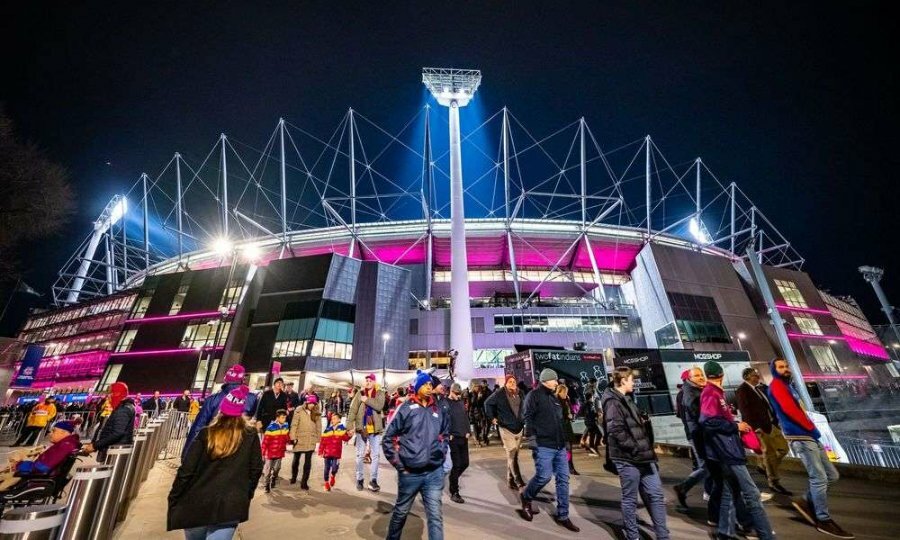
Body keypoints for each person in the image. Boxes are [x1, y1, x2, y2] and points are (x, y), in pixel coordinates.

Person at [768, 358, 853, 539]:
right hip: (800, 436)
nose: (785, 369)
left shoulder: (786, 385)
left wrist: (811, 430)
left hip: (809, 435)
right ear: (774, 370)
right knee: (819, 477)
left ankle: (806, 500)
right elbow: (789, 409)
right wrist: (809, 427)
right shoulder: (776, 385)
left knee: (832, 476)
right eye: (781, 367)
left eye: (786, 366)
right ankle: (823, 519)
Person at [167, 386, 263, 539]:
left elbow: (186, 471)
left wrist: (174, 496)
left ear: (221, 410)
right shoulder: (250, 435)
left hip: (197, 502)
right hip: (229, 505)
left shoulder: (206, 433)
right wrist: (245, 494)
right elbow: (256, 469)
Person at [701, 360, 775, 540]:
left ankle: (725, 533)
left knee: (730, 492)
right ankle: (766, 535)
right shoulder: (711, 393)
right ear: (721, 374)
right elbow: (707, 421)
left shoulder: (715, 393)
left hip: (725, 451)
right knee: (752, 495)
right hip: (728, 451)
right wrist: (735, 426)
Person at [602, 366, 670, 540]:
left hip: (644, 457)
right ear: (623, 380)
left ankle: (663, 536)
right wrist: (635, 447)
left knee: (655, 494)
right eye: (632, 379)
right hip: (627, 458)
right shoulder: (612, 401)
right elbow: (615, 430)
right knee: (630, 499)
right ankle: (633, 536)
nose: (634, 382)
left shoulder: (627, 399)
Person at [382, 371, 449, 540]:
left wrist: (441, 454)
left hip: (434, 473)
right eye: (425, 385)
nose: (429, 387)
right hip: (410, 473)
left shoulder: (438, 409)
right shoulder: (406, 408)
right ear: (417, 387)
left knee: (435, 517)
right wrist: (399, 465)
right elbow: (387, 438)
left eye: (430, 385)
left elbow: (445, 434)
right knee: (401, 512)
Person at [519, 369, 579, 532]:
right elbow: (528, 418)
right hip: (543, 445)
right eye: (555, 380)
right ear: (546, 380)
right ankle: (526, 496)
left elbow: (560, 422)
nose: (557, 383)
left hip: (559, 446)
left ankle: (563, 515)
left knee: (563, 480)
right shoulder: (533, 396)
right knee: (544, 476)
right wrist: (532, 440)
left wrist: (565, 442)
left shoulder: (554, 398)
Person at [736, 367, 791, 496]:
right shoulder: (742, 390)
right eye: (755, 375)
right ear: (747, 377)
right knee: (770, 454)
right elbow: (745, 411)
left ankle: (763, 466)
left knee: (784, 449)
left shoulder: (759, 389)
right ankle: (774, 481)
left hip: (772, 425)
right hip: (760, 428)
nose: (757, 376)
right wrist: (755, 427)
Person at [184, 365, 258, 459]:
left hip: (214, 447)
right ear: (242, 380)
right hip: (237, 449)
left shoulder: (212, 399)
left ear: (226, 379)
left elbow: (198, 427)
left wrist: (187, 456)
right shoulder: (252, 399)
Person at [1, 421, 80, 494]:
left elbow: (41, 467)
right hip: (41, 477)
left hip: (35, 479)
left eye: (53, 431)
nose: (50, 434)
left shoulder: (64, 446)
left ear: (64, 433)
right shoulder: (68, 444)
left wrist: (19, 465)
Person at [674, 367, 711, 510]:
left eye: (702, 374)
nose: (701, 377)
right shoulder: (688, 394)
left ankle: (707, 492)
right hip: (696, 434)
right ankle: (684, 487)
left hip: (696, 433)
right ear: (688, 379)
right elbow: (696, 415)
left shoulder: (696, 391)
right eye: (697, 375)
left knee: (707, 466)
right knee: (706, 466)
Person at [484, 374, 526, 490]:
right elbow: (487, 403)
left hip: (519, 428)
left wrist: (525, 418)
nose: (512, 383)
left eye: (514, 381)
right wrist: (492, 418)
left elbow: (525, 406)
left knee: (513, 455)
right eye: (510, 382)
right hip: (506, 429)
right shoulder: (500, 393)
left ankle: (510, 479)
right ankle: (519, 482)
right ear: (506, 383)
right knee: (512, 454)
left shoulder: (520, 393)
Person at [347, 373, 385, 492]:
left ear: (374, 382)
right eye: (366, 380)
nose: (368, 382)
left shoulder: (380, 393)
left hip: (374, 428)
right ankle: (360, 479)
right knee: (359, 455)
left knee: (375, 455)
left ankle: (373, 480)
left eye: (370, 380)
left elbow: (379, 406)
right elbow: (353, 410)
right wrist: (349, 426)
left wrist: (367, 400)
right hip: (361, 428)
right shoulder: (360, 393)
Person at [83, 382, 136, 460]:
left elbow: (117, 433)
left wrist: (95, 445)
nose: (109, 397)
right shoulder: (124, 407)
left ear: (117, 394)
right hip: (115, 448)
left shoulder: (123, 410)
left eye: (111, 393)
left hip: (115, 450)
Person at [288, 394, 321, 489]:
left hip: (311, 438)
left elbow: (319, 426)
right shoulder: (299, 410)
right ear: (306, 402)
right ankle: (293, 477)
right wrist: (293, 437)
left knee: (308, 462)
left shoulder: (316, 412)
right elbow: (294, 424)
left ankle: (304, 482)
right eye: (310, 403)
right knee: (296, 459)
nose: (311, 405)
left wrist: (318, 438)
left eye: (313, 404)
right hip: (299, 438)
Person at [446, 382, 470, 504]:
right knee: (457, 465)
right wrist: (448, 433)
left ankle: (452, 479)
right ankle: (454, 491)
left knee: (465, 463)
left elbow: (465, 417)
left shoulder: (460, 402)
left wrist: (468, 430)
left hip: (463, 436)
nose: (458, 396)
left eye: (459, 394)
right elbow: (445, 419)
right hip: (453, 438)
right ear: (451, 391)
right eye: (456, 393)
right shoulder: (446, 403)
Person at [318, 412, 351, 491]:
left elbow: (345, 438)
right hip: (327, 453)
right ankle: (326, 483)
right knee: (326, 468)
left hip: (336, 453)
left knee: (334, 468)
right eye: (332, 419)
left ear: (339, 419)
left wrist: (350, 435)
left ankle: (333, 476)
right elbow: (323, 441)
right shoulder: (327, 429)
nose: (333, 420)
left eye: (335, 418)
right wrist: (320, 451)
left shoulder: (342, 429)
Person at [261, 409, 290, 493]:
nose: (284, 419)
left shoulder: (286, 426)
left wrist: (289, 441)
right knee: (267, 470)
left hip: (280, 452)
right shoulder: (270, 428)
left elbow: (286, 437)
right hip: (270, 453)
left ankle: (274, 478)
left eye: (285, 417)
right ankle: (267, 485)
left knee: (277, 468)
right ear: (277, 418)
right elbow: (265, 441)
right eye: (282, 417)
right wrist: (263, 453)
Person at [555, 384, 579, 476]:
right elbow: (558, 414)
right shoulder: (556, 400)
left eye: (566, 392)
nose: (566, 394)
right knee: (564, 449)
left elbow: (571, 411)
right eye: (564, 392)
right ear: (559, 391)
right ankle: (566, 467)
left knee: (569, 448)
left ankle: (570, 467)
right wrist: (566, 415)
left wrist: (572, 415)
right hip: (560, 428)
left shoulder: (567, 399)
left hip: (567, 426)